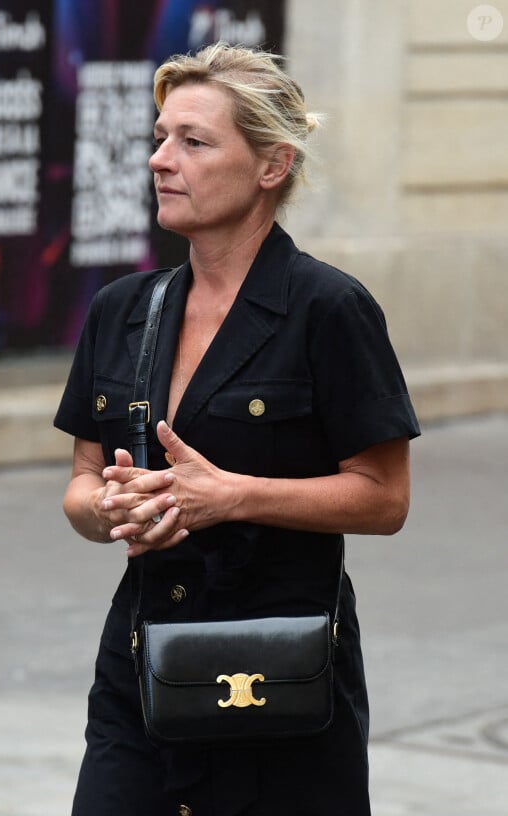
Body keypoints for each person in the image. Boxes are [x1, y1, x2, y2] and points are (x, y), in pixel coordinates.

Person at [54, 42, 421, 816]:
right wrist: (110, 510)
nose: (161, 159)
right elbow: (83, 483)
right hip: (141, 666)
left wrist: (233, 496)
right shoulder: (121, 309)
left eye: (193, 141)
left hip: (278, 679)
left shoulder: (329, 308)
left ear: (271, 166)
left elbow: (384, 498)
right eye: (159, 136)